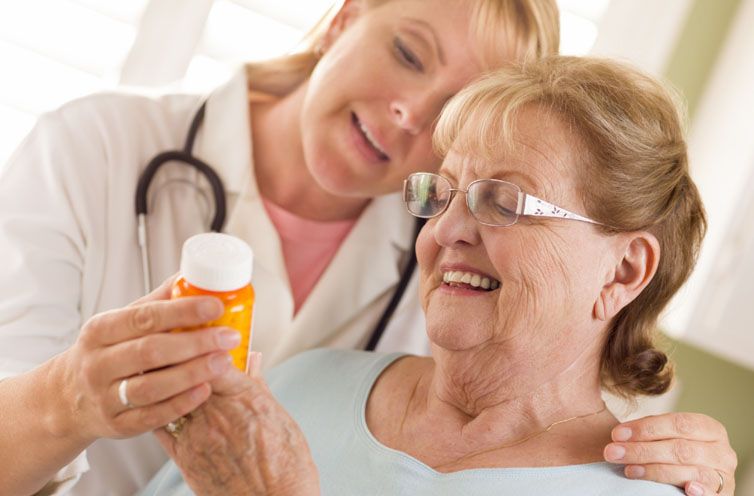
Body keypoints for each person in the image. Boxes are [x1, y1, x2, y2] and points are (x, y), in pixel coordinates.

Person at [0, 1, 735, 495]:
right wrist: (69, 401)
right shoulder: (94, 148)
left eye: (503, 201)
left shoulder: (619, 461)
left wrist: (699, 455)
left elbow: (598, 365)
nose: (411, 112)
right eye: (409, 52)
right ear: (346, 16)